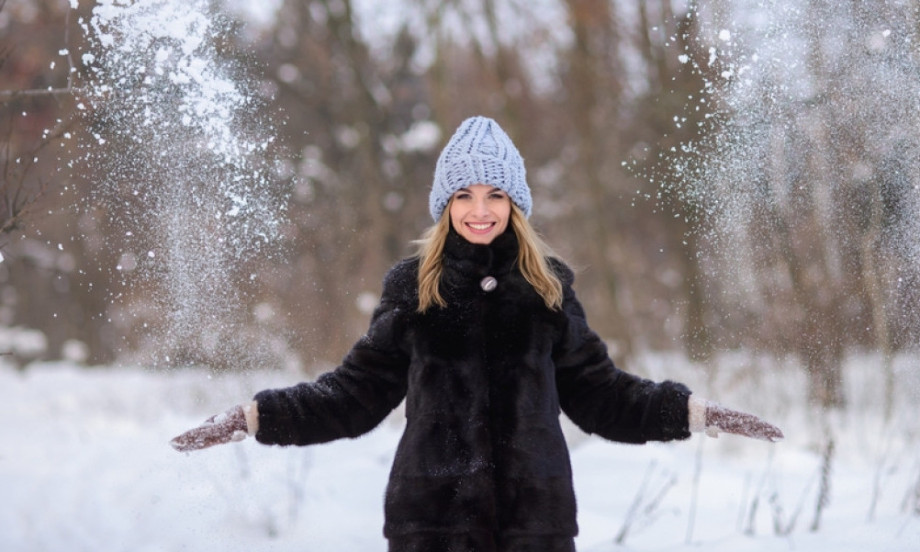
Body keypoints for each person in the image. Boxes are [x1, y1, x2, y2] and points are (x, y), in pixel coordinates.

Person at [171, 116, 783, 552]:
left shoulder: (548, 289)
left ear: (516, 203)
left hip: (534, 528)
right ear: (445, 204)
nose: (479, 208)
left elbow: (601, 395)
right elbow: (354, 395)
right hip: (432, 527)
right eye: (463, 194)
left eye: (494, 194)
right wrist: (255, 417)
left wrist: (694, 412)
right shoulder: (413, 287)